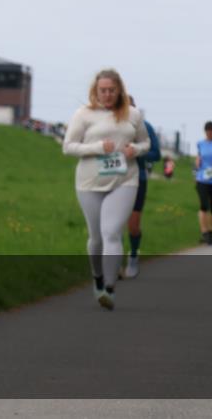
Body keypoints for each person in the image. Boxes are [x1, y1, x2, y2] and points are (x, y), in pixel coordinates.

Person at [63, 69, 150, 310]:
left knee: (111, 231)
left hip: (125, 179)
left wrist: (136, 150)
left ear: (120, 90)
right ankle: (97, 278)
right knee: (97, 237)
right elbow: (68, 147)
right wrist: (99, 147)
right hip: (89, 182)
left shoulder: (132, 114)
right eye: (103, 90)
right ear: (95, 90)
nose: (108, 94)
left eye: (112, 90)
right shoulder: (84, 114)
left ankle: (109, 288)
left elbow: (146, 142)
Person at [124, 95, 161, 279]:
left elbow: (156, 154)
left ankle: (133, 254)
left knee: (132, 224)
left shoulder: (146, 127)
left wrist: (136, 152)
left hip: (138, 179)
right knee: (110, 225)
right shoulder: (109, 127)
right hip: (113, 180)